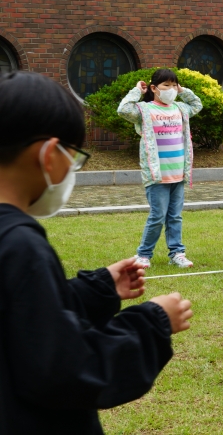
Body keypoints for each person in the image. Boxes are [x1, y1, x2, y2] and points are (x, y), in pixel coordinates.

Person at [0, 71, 193, 433]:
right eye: (74, 159)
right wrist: (153, 323)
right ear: (49, 157)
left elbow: (23, 317)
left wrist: (97, 288)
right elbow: (65, 370)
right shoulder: (21, 245)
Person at [118, 69, 202, 269]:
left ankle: (177, 253)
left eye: (174, 85)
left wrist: (182, 91)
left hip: (178, 174)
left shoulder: (180, 109)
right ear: (154, 88)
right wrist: (137, 91)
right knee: (157, 216)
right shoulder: (144, 110)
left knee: (175, 216)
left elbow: (197, 104)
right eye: (167, 85)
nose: (171, 89)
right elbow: (123, 110)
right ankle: (144, 255)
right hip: (157, 176)